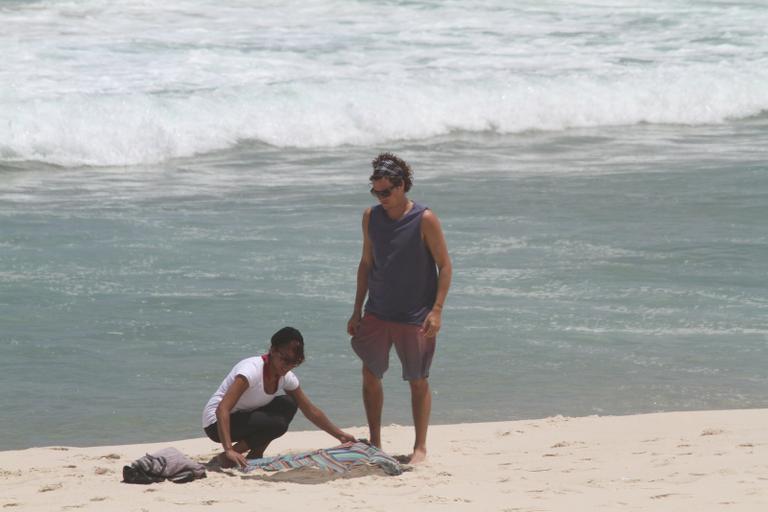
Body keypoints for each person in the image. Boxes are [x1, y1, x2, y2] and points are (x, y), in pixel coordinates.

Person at [347, 153, 452, 464]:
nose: (381, 198)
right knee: (370, 374)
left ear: (402, 186)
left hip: (415, 315)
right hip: (377, 311)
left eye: (386, 192)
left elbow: (444, 266)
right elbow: (366, 264)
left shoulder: (424, 219)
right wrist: (356, 310)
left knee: (417, 379)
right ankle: (375, 442)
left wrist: (437, 310)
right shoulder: (370, 217)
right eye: (376, 192)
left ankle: (420, 448)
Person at [202, 326, 356, 468]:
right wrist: (228, 449)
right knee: (277, 423)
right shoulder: (251, 370)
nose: (288, 366)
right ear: (273, 350)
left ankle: (255, 453)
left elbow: (310, 410)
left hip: (243, 418)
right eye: (285, 360)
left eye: (295, 362)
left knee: (288, 403)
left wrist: (340, 436)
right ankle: (227, 456)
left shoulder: (286, 377)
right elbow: (222, 408)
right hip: (216, 424)